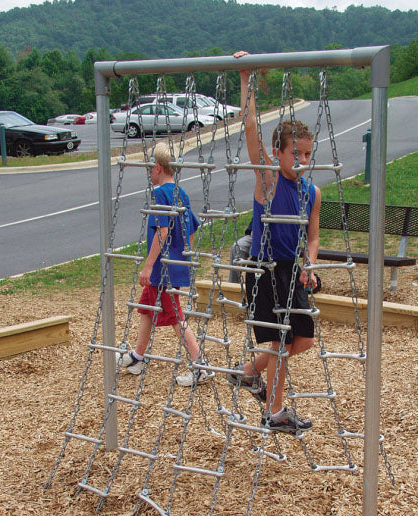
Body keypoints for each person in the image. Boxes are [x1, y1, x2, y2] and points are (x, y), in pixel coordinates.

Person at [227, 50, 321, 434]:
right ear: (276, 153)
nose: (300, 161)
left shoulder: (311, 192)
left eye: (307, 154)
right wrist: (246, 77)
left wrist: (310, 264)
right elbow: (250, 128)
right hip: (265, 271)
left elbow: (312, 237)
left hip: (291, 271)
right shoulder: (269, 180)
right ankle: (275, 412)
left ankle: (248, 373)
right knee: (281, 342)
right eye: (294, 154)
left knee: (303, 341)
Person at [117, 141, 214, 387]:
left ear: (158, 167)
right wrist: (185, 255)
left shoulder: (160, 193)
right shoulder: (182, 193)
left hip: (163, 269)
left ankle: (200, 365)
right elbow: (191, 227)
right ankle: (138, 357)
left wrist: (149, 266)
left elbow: (161, 230)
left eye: (150, 168)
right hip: (175, 264)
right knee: (147, 308)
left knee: (174, 317)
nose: (150, 173)